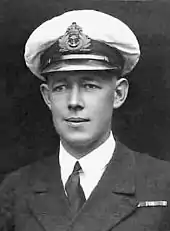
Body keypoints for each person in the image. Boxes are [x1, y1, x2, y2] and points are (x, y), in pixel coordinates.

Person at [1, 9, 170, 231]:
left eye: (89, 86)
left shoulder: (163, 184)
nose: (74, 102)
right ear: (47, 96)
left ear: (118, 94)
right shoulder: (15, 190)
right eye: (61, 87)